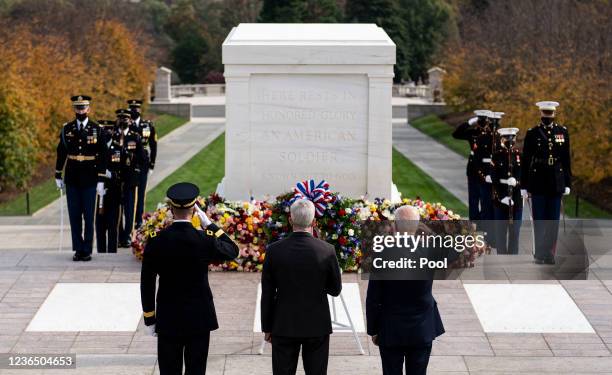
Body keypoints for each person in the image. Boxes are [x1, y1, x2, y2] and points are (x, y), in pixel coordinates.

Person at [140, 182, 239, 375]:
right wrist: (209, 224)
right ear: (194, 210)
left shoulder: (156, 241)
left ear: (170, 209)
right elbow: (233, 250)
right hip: (199, 317)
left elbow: (147, 283)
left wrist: (149, 319)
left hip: (169, 317)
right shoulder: (205, 239)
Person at [261, 199, 342, 375]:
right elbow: (335, 289)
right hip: (316, 324)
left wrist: (267, 327)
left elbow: (267, 293)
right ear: (314, 222)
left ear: (290, 220)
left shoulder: (274, 250)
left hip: (284, 324)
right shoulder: (327, 250)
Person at [366, 206, 445, 375]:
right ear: (418, 226)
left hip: (390, 328)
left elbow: (373, 297)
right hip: (421, 328)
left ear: (395, 225)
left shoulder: (382, 253)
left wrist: (373, 329)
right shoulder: (430, 250)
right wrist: (430, 233)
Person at [55, 95, 107, 261]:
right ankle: (78, 249)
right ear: (74, 109)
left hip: (90, 178)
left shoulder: (97, 129)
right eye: (77, 108)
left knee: (89, 215)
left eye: (83, 108)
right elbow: (61, 152)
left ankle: (87, 249)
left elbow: (103, 155)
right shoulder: (67, 129)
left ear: (88, 109)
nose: (80, 111)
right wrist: (58, 174)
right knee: (75, 215)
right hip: (72, 178)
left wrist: (101, 179)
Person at [521, 101, 571, 264]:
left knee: (553, 221)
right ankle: (540, 253)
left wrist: (568, 183)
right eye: (545, 113)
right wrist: (524, 185)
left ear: (554, 114)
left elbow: (566, 159)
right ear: (541, 113)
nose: (548, 116)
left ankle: (549, 253)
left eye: (550, 114)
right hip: (538, 181)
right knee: (540, 220)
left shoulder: (562, 132)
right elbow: (526, 160)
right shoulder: (533, 133)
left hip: (556, 181)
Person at [452, 110, 492, 221]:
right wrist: (468, 123)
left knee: (486, 200)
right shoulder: (473, 132)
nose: (482, 122)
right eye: (480, 120)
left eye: (484, 120)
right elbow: (456, 134)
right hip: (473, 170)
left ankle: (483, 222)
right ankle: (474, 224)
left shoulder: (492, 134)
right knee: (473, 200)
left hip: (486, 171)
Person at [115, 109, 146, 248]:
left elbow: (142, 157)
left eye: (125, 119)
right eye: (120, 118)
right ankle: (119, 235)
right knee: (117, 209)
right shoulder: (113, 137)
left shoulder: (135, 137)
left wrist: (134, 162)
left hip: (130, 179)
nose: (123, 121)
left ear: (130, 121)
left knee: (129, 209)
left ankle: (127, 234)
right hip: (116, 179)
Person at [491, 127, 523, 254]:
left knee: (515, 231)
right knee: (501, 232)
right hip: (501, 198)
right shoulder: (496, 156)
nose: (510, 140)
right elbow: (494, 178)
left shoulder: (519, 155)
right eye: (507, 138)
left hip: (516, 198)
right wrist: (502, 196)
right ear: (502, 139)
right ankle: (501, 257)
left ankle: (513, 256)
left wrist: (517, 181)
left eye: (512, 138)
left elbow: (523, 175)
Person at [128, 99, 157, 231]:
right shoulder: (126, 125)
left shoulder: (147, 125)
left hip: (143, 163)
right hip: (129, 163)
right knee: (129, 194)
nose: (134, 111)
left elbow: (153, 145)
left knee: (141, 194)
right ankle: (129, 218)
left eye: (136, 109)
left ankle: (138, 219)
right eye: (132, 108)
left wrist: (152, 164)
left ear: (140, 110)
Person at [95, 120, 121, 253]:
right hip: (98, 194)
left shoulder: (118, 149)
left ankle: (112, 253)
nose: (107, 132)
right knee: (99, 226)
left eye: (109, 129)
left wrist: (111, 174)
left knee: (112, 226)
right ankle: (100, 252)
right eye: (104, 130)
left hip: (113, 193)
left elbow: (123, 172)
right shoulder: (95, 150)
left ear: (113, 131)